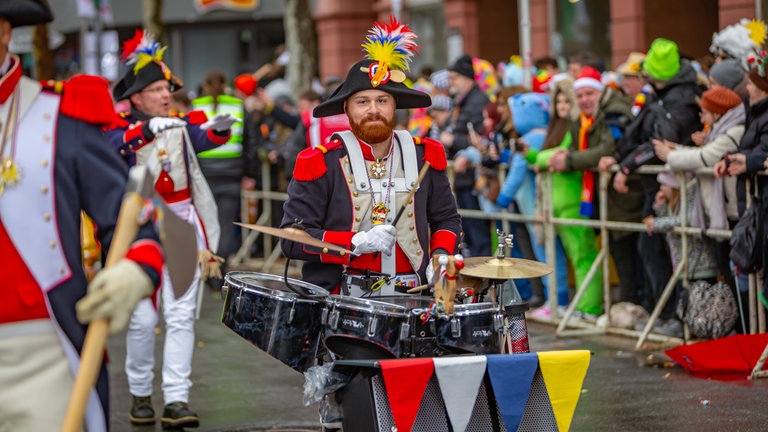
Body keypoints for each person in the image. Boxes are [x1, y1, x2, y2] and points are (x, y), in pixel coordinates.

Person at [0, 2, 164, 430]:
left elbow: (129, 220)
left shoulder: (59, 116)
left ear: (3, 31)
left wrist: (132, 271)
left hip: (40, 357)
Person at [107, 30, 235, 429]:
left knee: (180, 315)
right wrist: (148, 130)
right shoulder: (119, 127)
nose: (165, 94)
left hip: (181, 223)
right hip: (138, 226)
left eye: (167, 88)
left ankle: (177, 398)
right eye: (157, 89)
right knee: (143, 318)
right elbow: (116, 147)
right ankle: (141, 394)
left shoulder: (178, 124)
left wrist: (221, 127)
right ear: (136, 97)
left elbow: (205, 138)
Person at [279, 17, 462, 295]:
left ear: (394, 106)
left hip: (415, 299)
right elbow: (292, 240)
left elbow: (447, 220)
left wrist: (439, 257)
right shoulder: (320, 162)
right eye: (362, 102)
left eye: (382, 100)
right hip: (340, 301)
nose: (373, 110)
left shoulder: (425, 155)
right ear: (347, 108)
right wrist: (354, 243)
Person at [547, 67, 634, 318]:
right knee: (615, 253)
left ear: (600, 92)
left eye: (589, 94)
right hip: (601, 196)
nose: (585, 99)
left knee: (628, 255)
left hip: (624, 195)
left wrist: (571, 159)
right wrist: (568, 155)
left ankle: (624, 309)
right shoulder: (582, 121)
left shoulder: (611, 111)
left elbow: (609, 147)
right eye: (581, 95)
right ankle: (619, 309)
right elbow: (579, 148)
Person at [191, 70, 247, 269]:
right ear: (225, 85)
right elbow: (249, 141)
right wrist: (249, 173)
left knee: (205, 222)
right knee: (225, 224)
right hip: (231, 172)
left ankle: (207, 265)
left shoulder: (196, 106)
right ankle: (219, 268)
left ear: (205, 85)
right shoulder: (237, 105)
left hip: (204, 173)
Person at [442, 54, 492, 257]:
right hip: (462, 178)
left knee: (477, 234)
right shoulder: (463, 100)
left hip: (472, 178)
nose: (451, 82)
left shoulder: (477, 101)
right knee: (469, 233)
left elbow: (480, 139)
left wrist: (453, 141)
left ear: (466, 78)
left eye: (454, 77)